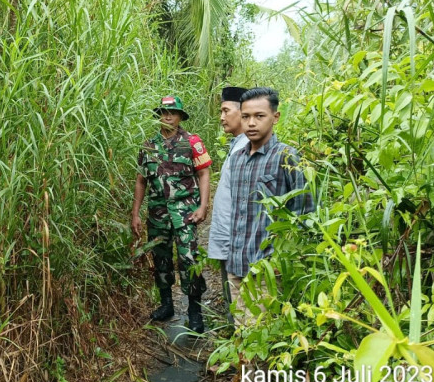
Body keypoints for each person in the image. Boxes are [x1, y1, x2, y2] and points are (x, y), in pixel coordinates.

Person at [226, 87, 312, 326]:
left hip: (267, 270)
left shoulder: (287, 157)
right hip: (237, 265)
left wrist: (281, 260)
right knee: (241, 330)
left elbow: (305, 213)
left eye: (259, 116)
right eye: (245, 116)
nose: (251, 123)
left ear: (275, 117)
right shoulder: (237, 159)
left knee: (260, 331)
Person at [131, 95, 212, 333]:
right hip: (157, 214)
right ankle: (166, 304)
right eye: (164, 113)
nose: (168, 117)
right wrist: (135, 213)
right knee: (161, 258)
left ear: (180, 117)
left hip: (185, 212)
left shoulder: (192, 142)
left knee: (189, 259)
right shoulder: (148, 145)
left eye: (173, 113)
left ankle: (195, 311)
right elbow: (141, 180)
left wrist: (203, 206)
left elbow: (204, 174)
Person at [207, 86, 249, 321]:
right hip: (229, 237)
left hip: (237, 242)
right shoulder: (237, 145)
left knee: (239, 303)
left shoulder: (246, 149)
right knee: (232, 300)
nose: (221, 117)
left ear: (243, 112)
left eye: (226, 111)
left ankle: (239, 341)